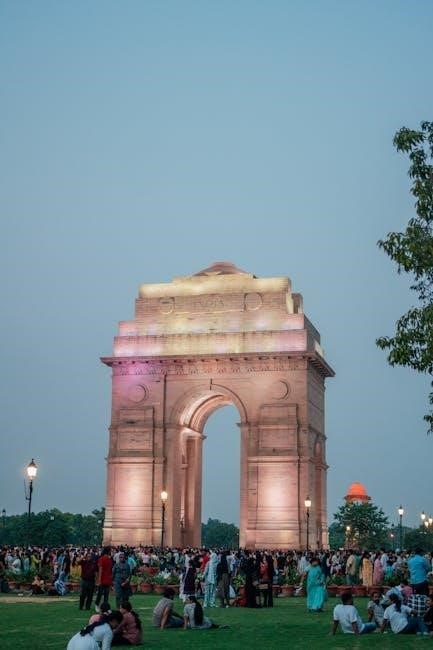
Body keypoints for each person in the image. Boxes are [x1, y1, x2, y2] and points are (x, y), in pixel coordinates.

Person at [95, 547, 113, 612]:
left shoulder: (103, 559)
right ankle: (99, 606)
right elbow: (101, 569)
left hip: (105, 578)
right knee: (105, 594)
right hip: (106, 578)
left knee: (101, 593)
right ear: (108, 552)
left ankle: (99, 606)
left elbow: (101, 569)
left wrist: (99, 579)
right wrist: (99, 579)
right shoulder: (107, 559)